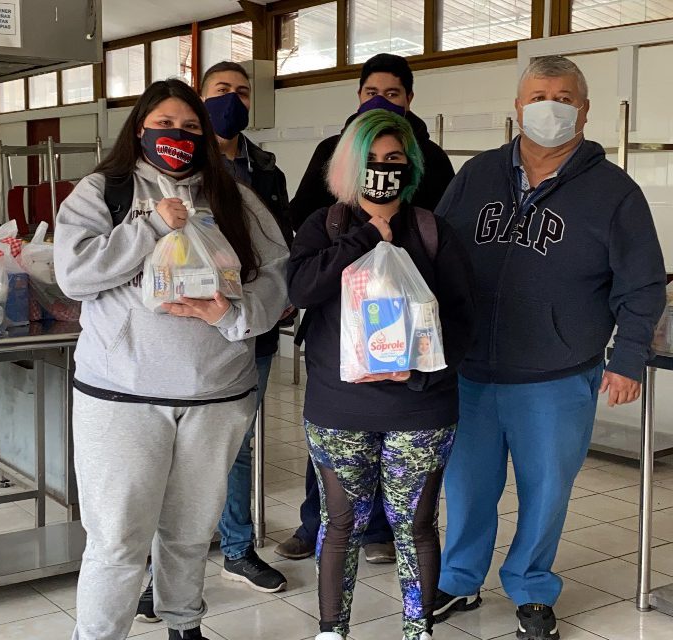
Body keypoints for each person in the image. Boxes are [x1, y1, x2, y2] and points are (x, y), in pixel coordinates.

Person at [432, 56, 666, 640]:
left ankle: (532, 587)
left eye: (564, 97)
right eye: (539, 96)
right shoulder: (476, 175)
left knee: (546, 491)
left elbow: (641, 285)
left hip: (557, 376)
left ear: (584, 111)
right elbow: (432, 256)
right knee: (466, 487)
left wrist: (628, 358)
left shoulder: (615, 193)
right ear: (518, 108)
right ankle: (459, 580)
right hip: (470, 372)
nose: (550, 107)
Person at [54, 78, 289, 640]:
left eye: (189, 128)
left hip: (215, 395)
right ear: (139, 129)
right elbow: (76, 274)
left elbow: (277, 276)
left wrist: (230, 316)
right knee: (116, 539)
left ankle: (184, 626)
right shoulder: (103, 191)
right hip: (122, 397)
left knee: (189, 532)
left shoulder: (235, 196)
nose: (175, 137)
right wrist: (153, 225)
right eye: (163, 126)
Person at [288, 109, 475, 640]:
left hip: (421, 407)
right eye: (370, 159)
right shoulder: (323, 227)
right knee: (340, 524)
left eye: (395, 158)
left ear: (411, 165)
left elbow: (463, 320)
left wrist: (419, 374)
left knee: (414, 525)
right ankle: (331, 630)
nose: (383, 168)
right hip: (338, 407)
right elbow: (301, 290)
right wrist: (367, 236)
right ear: (348, 166)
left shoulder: (434, 231)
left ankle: (418, 629)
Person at [278, 53, 456, 566]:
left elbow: (444, 226)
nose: (381, 99)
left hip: (409, 329)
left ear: (410, 100)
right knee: (336, 444)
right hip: (339, 331)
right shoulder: (329, 151)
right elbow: (305, 219)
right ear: (357, 96)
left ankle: (378, 532)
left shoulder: (431, 156)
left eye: (393, 93)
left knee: (397, 446)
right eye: (371, 90)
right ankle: (317, 523)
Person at [132, 62, 294, 624]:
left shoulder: (262, 171)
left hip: (243, 336)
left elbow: (277, 249)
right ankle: (159, 576)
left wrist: (254, 309)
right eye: (221, 91)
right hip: (167, 350)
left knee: (237, 450)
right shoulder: (140, 183)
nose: (233, 100)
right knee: (165, 468)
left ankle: (237, 547)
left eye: (242, 92)